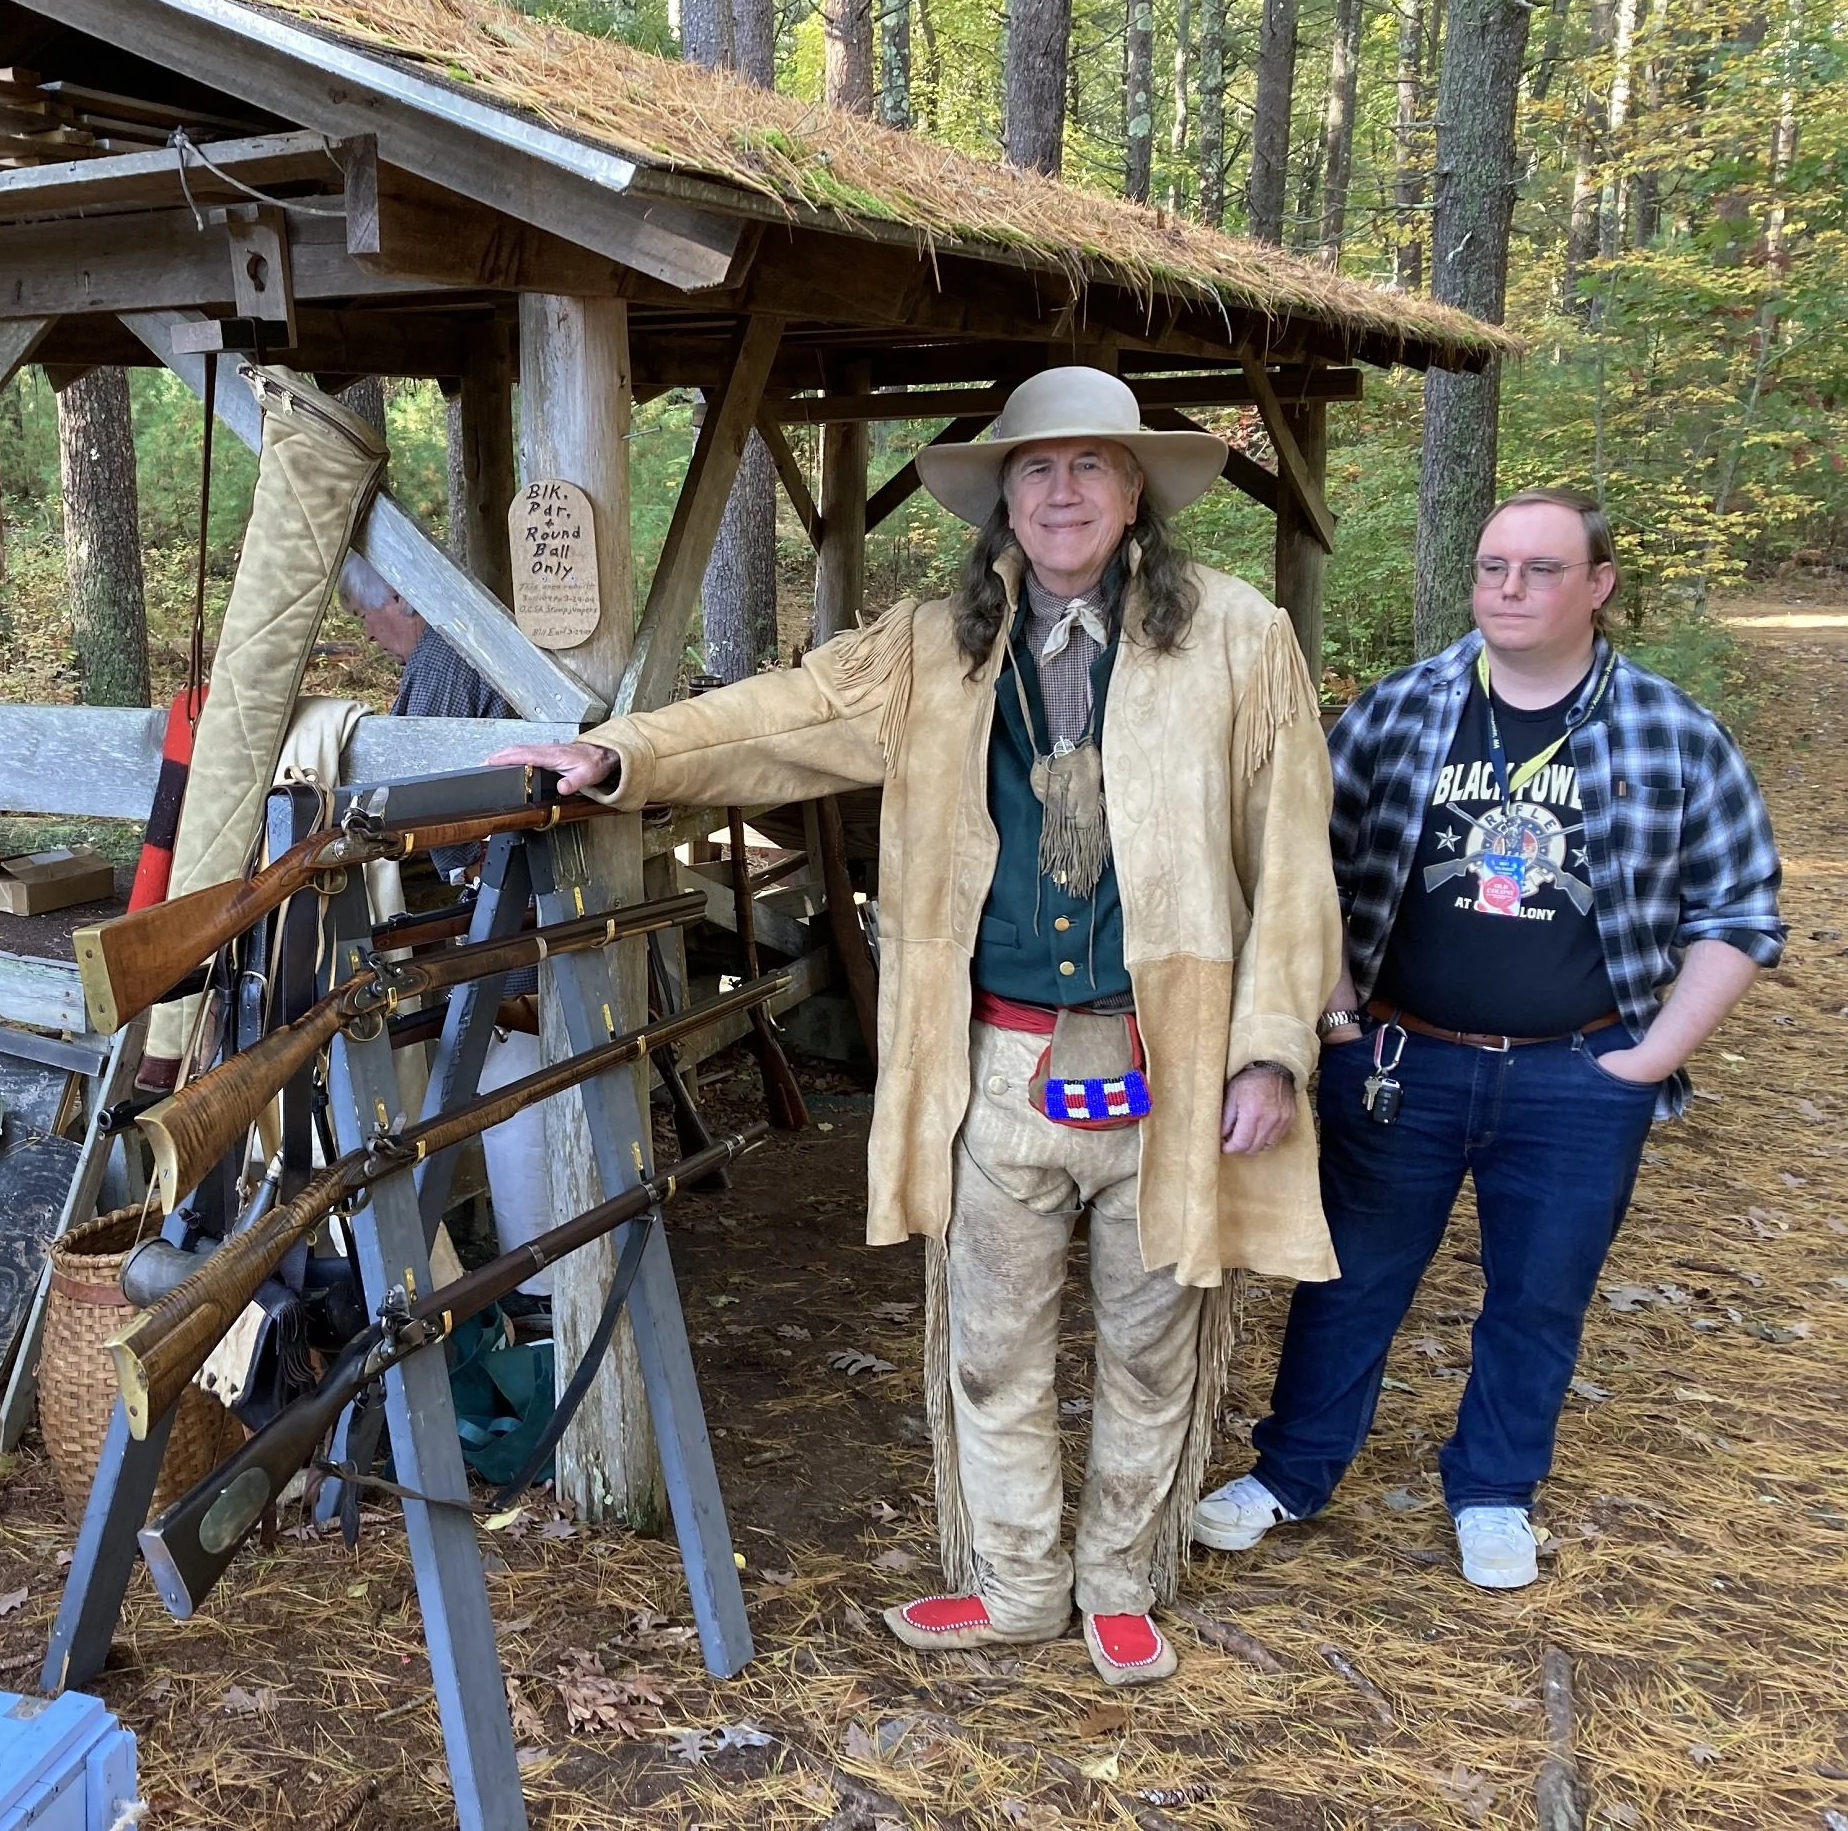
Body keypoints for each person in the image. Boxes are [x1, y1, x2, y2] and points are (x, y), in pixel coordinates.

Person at [493, 365, 1341, 1686]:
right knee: (990, 1339)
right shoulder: (934, 643)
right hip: (993, 1062)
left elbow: (1293, 854)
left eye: (1090, 467)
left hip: (1174, 1057)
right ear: (1003, 492)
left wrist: (1275, 1044)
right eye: (1037, 468)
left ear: (1135, 492)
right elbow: (782, 714)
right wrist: (627, 754)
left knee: (1152, 1332)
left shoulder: (1238, 636)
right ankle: (1012, 1583)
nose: (1063, 493)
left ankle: (1122, 1580)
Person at [1193, 487, 1783, 1589]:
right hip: (1398, 1063)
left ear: (1598, 587)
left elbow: (1739, 914)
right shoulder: (1398, 712)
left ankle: (1494, 1490)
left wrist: (1647, 1062)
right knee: (1350, 1279)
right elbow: (1298, 870)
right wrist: (1332, 1022)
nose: (1508, 589)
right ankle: (1293, 1471)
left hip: (1578, 1073)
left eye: (1540, 569)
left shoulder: (1671, 733)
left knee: (1539, 1294)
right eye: (1491, 567)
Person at [339, 561, 554, 1330]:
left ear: (402, 596)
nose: (377, 639)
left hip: (505, 888)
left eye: (374, 623)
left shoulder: (440, 658)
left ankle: (538, 1284)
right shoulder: (472, 650)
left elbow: (401, 784)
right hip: (514, 879)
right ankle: (540, 1271)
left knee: (511, 1076)